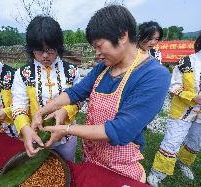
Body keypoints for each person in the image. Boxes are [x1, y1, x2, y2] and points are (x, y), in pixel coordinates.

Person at [29, 5, 171, 182]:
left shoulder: (154, 76)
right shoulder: (104, 68)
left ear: (122, 36)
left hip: (121, 164)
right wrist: (41, 112)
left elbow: (120, 130)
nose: (97, 54)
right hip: (92, 156)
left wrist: (66, 129)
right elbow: (75, 93)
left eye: (99, 46)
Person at [12, 15, 81, 161]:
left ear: (58, 47)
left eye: (50, 50)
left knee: (68, 165)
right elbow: (18, 106)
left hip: (66, 136)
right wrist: (25, 130)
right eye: (38, 50)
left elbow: (79, 100)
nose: (44, 56)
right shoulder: (23, 74)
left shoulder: (72, 71)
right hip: (36, 136)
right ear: (31, 49)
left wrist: (65, 111)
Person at [147, 33, 201, 186]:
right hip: (183, 111)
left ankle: (183, 163)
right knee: (172, 141)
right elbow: (173, 86)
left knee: (195, 142)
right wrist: (193, 97)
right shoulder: (187, 61)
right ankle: (157, 173)